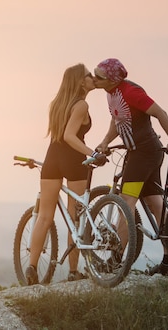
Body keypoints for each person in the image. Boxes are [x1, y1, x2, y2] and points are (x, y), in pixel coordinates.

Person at [93, 58, 168, 276]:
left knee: (127, 203)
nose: (94, 79)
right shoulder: (111, 93)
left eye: (99, 77)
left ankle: (115, 261)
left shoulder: (131, 92)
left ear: (113, 79)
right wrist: (105, 142)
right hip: (146, 154)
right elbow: (118, 120)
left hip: (143, 154)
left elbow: (160, 112)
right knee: (155, 204)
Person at [25, 63, 106, 285]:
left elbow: (59, 135)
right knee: (75, 217)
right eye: (89, 75)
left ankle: (31, 267)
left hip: (52, 159)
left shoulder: (56, 104)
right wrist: (93, 154)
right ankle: (72, 271)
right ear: (80, 81)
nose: (92, 78)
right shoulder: (81, 105)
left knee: (44, 216)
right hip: (73, 160)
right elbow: (70, 136)